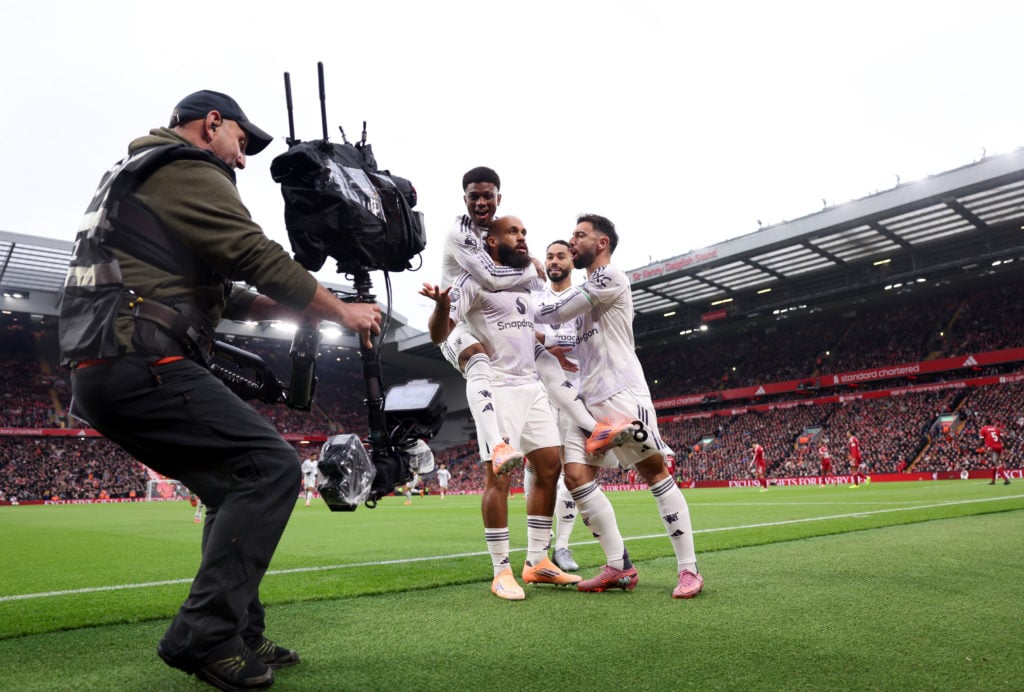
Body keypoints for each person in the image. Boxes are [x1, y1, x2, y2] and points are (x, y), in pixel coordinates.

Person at [58, 90, 382, 690]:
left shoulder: (139, 175)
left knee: (230, 483)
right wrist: (340, 311)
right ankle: (203, 635)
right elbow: (253, 254)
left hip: (110, 361)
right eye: (241, 142)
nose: (243, 159)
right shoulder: (185, 168)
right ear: (211, 125)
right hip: (142, 356)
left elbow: (221, 289)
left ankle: (236, 630)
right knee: (271, 468)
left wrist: (293, 308)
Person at [534, 213, 704, 599]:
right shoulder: (585, 293)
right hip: (588, 403)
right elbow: (565, 337)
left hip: (623, 396)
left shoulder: (610, 277)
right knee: (576, 477)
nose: (573, 241)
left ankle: (689, 570)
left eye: (580, 235)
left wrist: (517, 300)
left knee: (654, 473)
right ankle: (618, 566)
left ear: (602, 243)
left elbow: (556, 311)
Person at [438, 168, 637, 478]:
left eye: (487, 196)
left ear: (498, 198)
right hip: (458, 319)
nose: (480, 203)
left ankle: (594, 429)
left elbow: (524, 309)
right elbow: (488, 277)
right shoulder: (460, 232)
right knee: (477, 358)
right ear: (464, 198)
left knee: (543, 359)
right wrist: (532, 268)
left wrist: (542, 340)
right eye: (474, 196)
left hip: (494, 324)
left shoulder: (503, 237)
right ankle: (497, 445)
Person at [421, 215, 582, 599]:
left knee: (549, 467)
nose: (522, 237)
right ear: (491, 241)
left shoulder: (526, 282)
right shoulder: (472, 280)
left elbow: (525, 328)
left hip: (532, 385)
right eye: (513, 232)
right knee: (500, 476)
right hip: (498, 387)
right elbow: (439, 334)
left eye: (524, 232)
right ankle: (500, 570)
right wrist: (442, 306)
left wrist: (546, 345)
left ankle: (537, 562)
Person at [979, 419, 1011, 485]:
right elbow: (1002, 438)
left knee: (996, 463)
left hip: (992, 447)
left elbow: (981, 440)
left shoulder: (983, 429)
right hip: (999, 447)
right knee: (993, 463)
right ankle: (993, 481)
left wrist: (978, 446)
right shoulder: (996, 428)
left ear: (985, 422)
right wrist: (1007, 446)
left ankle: (1006, 479)